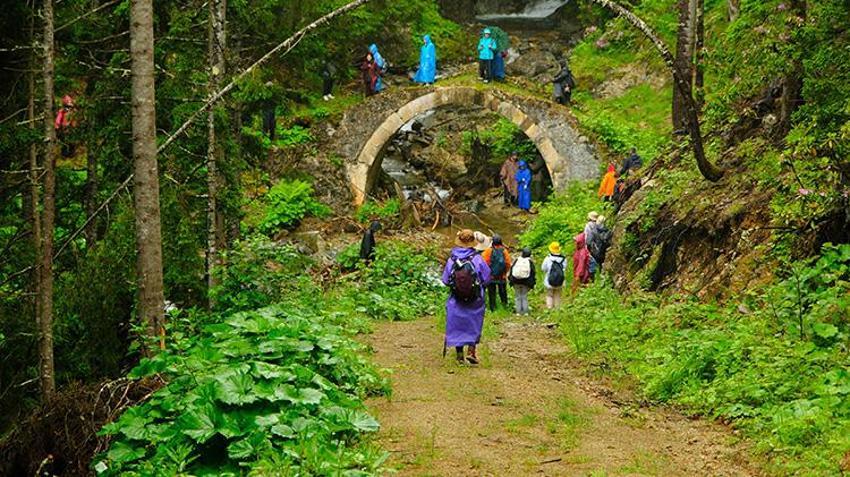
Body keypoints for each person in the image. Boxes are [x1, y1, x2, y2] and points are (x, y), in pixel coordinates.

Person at [442, 229, 491, 364]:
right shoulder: (477, 259)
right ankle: (471, 351)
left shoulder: (452, 259)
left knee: (458, 324)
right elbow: (487, 278)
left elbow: (445, 280)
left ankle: (459, 356)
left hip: (456, 298)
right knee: (473, 322)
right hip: (475, 298)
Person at [482, 234, 511, 312]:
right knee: (503, 292)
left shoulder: (488, 251)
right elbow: (508, 263)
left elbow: (485, 263)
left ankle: (492, 308)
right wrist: (505, 272)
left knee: (492, 293)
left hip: (491, 277)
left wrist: (488, 274)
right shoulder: (504, 251)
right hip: (502, 276)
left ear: (492, 243)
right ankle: (505, 306)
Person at [509, 248, 536, 315]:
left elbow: (511, 269)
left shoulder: (517, 260)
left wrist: (510, 279)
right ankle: (525, 312)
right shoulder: (529, 262)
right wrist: (532, 283)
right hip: (525, 282)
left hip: (516, 281)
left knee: (517, 296)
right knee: (524, 296)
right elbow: (533, 273)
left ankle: (518, 312)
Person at [541, 242, 567, 309]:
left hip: (549, 280)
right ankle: (557, 308)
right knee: (557, 295)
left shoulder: (548, 258)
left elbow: (543, 268)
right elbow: (564, 268)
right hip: (560, 281)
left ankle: (549, 308)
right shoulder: (563, 259)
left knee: (549, 295)